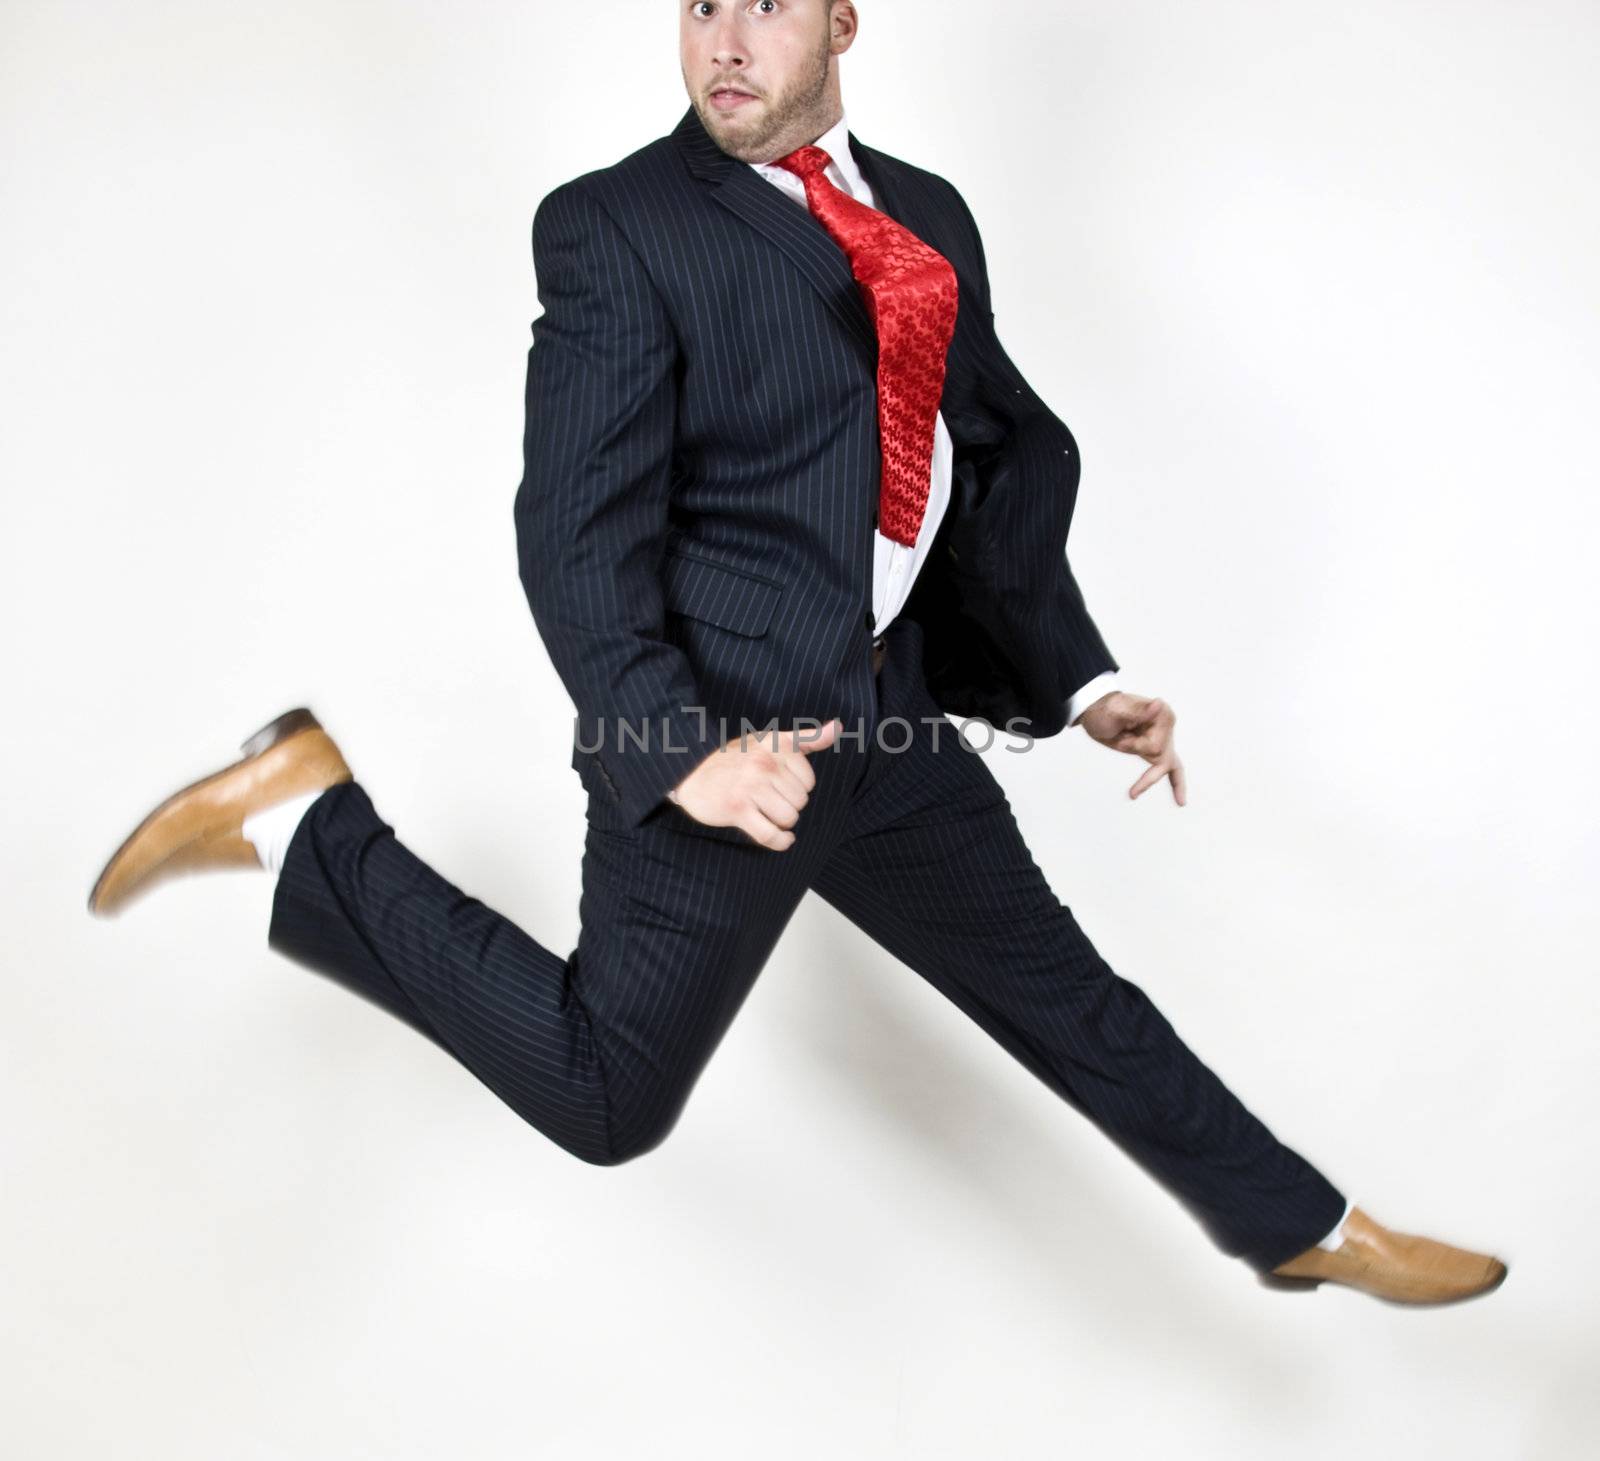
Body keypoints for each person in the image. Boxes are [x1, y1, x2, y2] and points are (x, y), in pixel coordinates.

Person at [88, 0, 1506, 1306]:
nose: (724, 42)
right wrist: (682, 751)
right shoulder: (619, 226)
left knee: (1069, 997)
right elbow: (574, 530)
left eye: (764, 3)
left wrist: (1076, 683)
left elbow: (987, 448)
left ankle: (1305, 1224)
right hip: (730, 738)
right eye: (700, 5)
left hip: (885, 725)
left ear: (840, 20)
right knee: (603, 1096)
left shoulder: (929, 219)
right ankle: (305, 822)